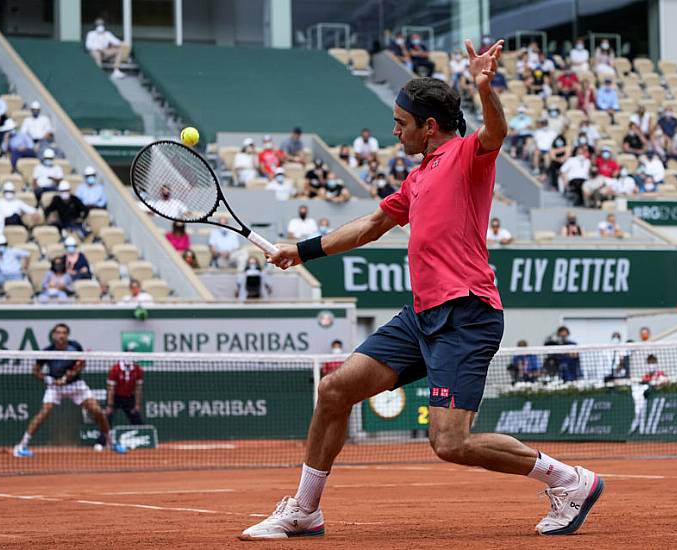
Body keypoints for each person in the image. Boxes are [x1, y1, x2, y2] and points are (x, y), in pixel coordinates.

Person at [247, 42, 604, 540]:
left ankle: (570, 480)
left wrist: (484, 86)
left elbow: (496, 130)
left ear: (428, 126)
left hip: (466, 314)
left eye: (401, 122)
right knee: (334, 391)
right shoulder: (417, 178)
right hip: (421, 316)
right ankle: (305, 509)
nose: (396, 131)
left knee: (450, 443)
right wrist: (299, 251)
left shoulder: (467, 156)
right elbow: (371, 225)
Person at [12, 323, 127, 457]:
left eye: (64, 333)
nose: (61, 335)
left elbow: (81, 363)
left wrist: (71, 374)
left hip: (76, 385)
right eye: (58, 333)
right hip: (55, 387)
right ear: (53, 335)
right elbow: (35, 371)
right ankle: (21, 446)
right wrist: (49, 380)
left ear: (67, 335)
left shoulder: (75, 347)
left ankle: (111, 443)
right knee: (44, 413)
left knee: (97, 411)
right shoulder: (47, 352)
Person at [105, 354, 145, 427]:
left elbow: (138, 389)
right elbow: (111, 389)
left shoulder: (138, 370)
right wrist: (110, 405)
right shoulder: (115, 369)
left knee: (136, 418)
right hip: (116, 397)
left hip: (129, 398)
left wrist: (137, 404)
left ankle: (141, 436)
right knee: (107, 417)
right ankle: (104, 437)